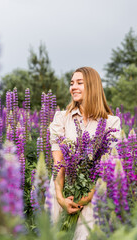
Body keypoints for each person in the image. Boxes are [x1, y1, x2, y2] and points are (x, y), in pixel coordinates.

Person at [49, 67, 121, 240]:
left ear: (93, 86)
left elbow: (108, 166)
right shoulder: (61, 118)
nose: (73, 86)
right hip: (63, 189)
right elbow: (58, 162)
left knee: (85, 235)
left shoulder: (111, 122)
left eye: (79, 83)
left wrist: (87, 197)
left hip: (94, 192)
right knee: (53, 234)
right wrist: (60, 198)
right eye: (72, 83)